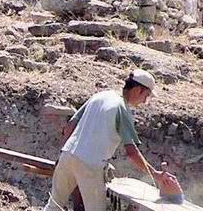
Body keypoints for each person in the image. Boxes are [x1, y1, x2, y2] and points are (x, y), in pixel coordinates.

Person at [42, 69, 180, 211]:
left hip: (67, 155)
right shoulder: (122, 110)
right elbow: (132, 152)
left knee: (53, 205)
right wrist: (155, 174)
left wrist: (66, 154)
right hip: (90, 164)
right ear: (138, 90)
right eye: (146, 95)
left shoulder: (101, 95)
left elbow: (70, 126)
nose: (145, 101)